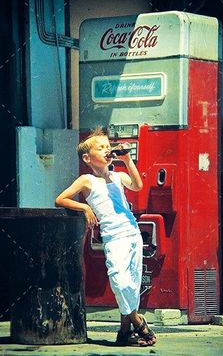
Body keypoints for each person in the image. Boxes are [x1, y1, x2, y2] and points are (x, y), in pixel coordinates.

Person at [55, 128, 156, 347]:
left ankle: (124, 332)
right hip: (114, 236)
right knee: (119, 279)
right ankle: (139, 323)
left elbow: (138, 186)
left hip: (132, 233)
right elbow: (60, 199)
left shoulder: (117, 176)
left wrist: (128, 160)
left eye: (108, 147)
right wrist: (84, 207)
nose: (106, 150)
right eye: (100, 148)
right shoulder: (86, 180)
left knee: (132, 281)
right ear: (87, 158)